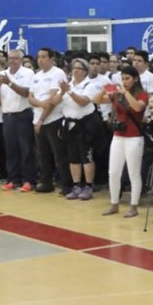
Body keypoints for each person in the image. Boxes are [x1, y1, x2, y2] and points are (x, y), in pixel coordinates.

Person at [96, 66, 147, 217]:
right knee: (113, 172)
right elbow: (97, 100)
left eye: (127, 78)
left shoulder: (142, 94)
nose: (124, 82)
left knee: (133, 173)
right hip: (118, 136)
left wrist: (126, 94)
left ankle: (134, 206)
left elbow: (137, 108)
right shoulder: (117, 95)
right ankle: (114, 204)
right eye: (122, 79)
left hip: (134, 137)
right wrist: (104, 90)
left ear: (135, 79)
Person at [0, 49, 37, 192]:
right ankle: (13, 179)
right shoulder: (2, 73)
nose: (12, 61)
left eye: (16, 58)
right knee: (11, 150)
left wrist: (10, 83)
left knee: (26, 149)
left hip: (23, 115)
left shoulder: (28, 73)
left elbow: (26, 93)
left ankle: (28, 180)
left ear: (21, 59)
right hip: (8, 116)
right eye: (10, 58)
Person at [29, 48, 70, 194]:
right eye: (39, 57)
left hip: (54, 118)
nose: (40, 60)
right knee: (42, 153)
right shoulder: (36, 75)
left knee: (59, 154)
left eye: (44, 57)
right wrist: (40, 106)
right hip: (38, 118)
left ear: (52, 58)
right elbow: (31, 97)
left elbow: (53, 100)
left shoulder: (57, 73)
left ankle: (66, 184)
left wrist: (41, 118)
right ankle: (46, 182)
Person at [57, 58, 98, 199]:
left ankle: (88, 186)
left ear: (85, 71)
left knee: (86, 156)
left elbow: (83, 102)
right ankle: (76, 185)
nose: (75, 70)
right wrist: (63, 92)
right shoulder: (68, 85)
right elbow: (56, 101)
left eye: (79, 68)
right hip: (69, 124)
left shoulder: (89, 85)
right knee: (73, 157)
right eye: (74, 68)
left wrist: (69, 92)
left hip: (85, 125)